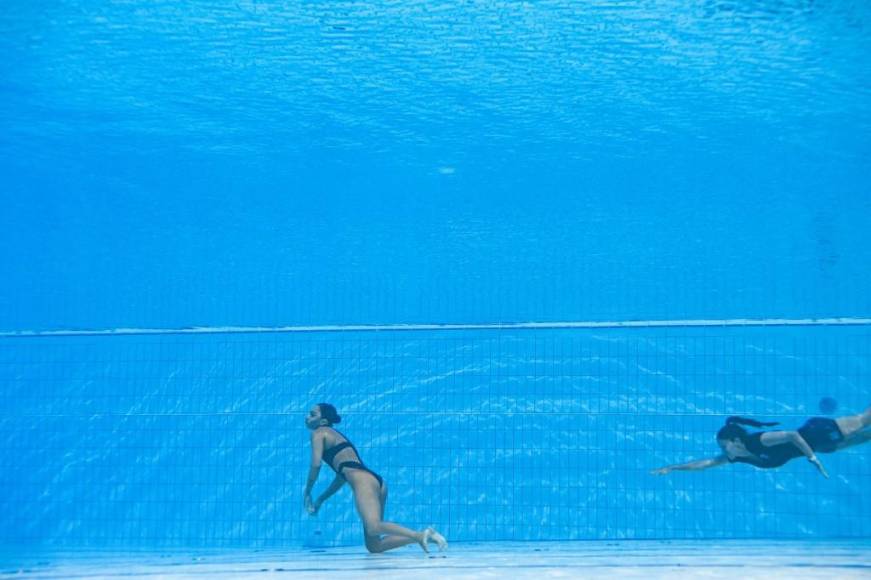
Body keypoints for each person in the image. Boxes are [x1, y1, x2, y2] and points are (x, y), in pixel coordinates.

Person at [303, 403, 447, 553]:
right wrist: (320, 499)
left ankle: (419, 535)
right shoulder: (334, 435)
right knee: (374, 546)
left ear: (323, 422)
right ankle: (424, 536)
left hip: (363, 482)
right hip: (375, 482)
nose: (307, 417)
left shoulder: (319, 433)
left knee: (373, 527)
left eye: (313, 414)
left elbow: (316, 464)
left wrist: (307, 491)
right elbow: (342, 477)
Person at [651, 405, 871, 477]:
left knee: (863, 420)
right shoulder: (738, 457)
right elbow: (705, 463)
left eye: (723, 445)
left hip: (818, 432)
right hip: (822, 446)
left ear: (736, 440)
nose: (722, 451)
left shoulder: (759, 441)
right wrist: (673, 467)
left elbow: (792, 435)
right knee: (867, 436)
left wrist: (811, 458)